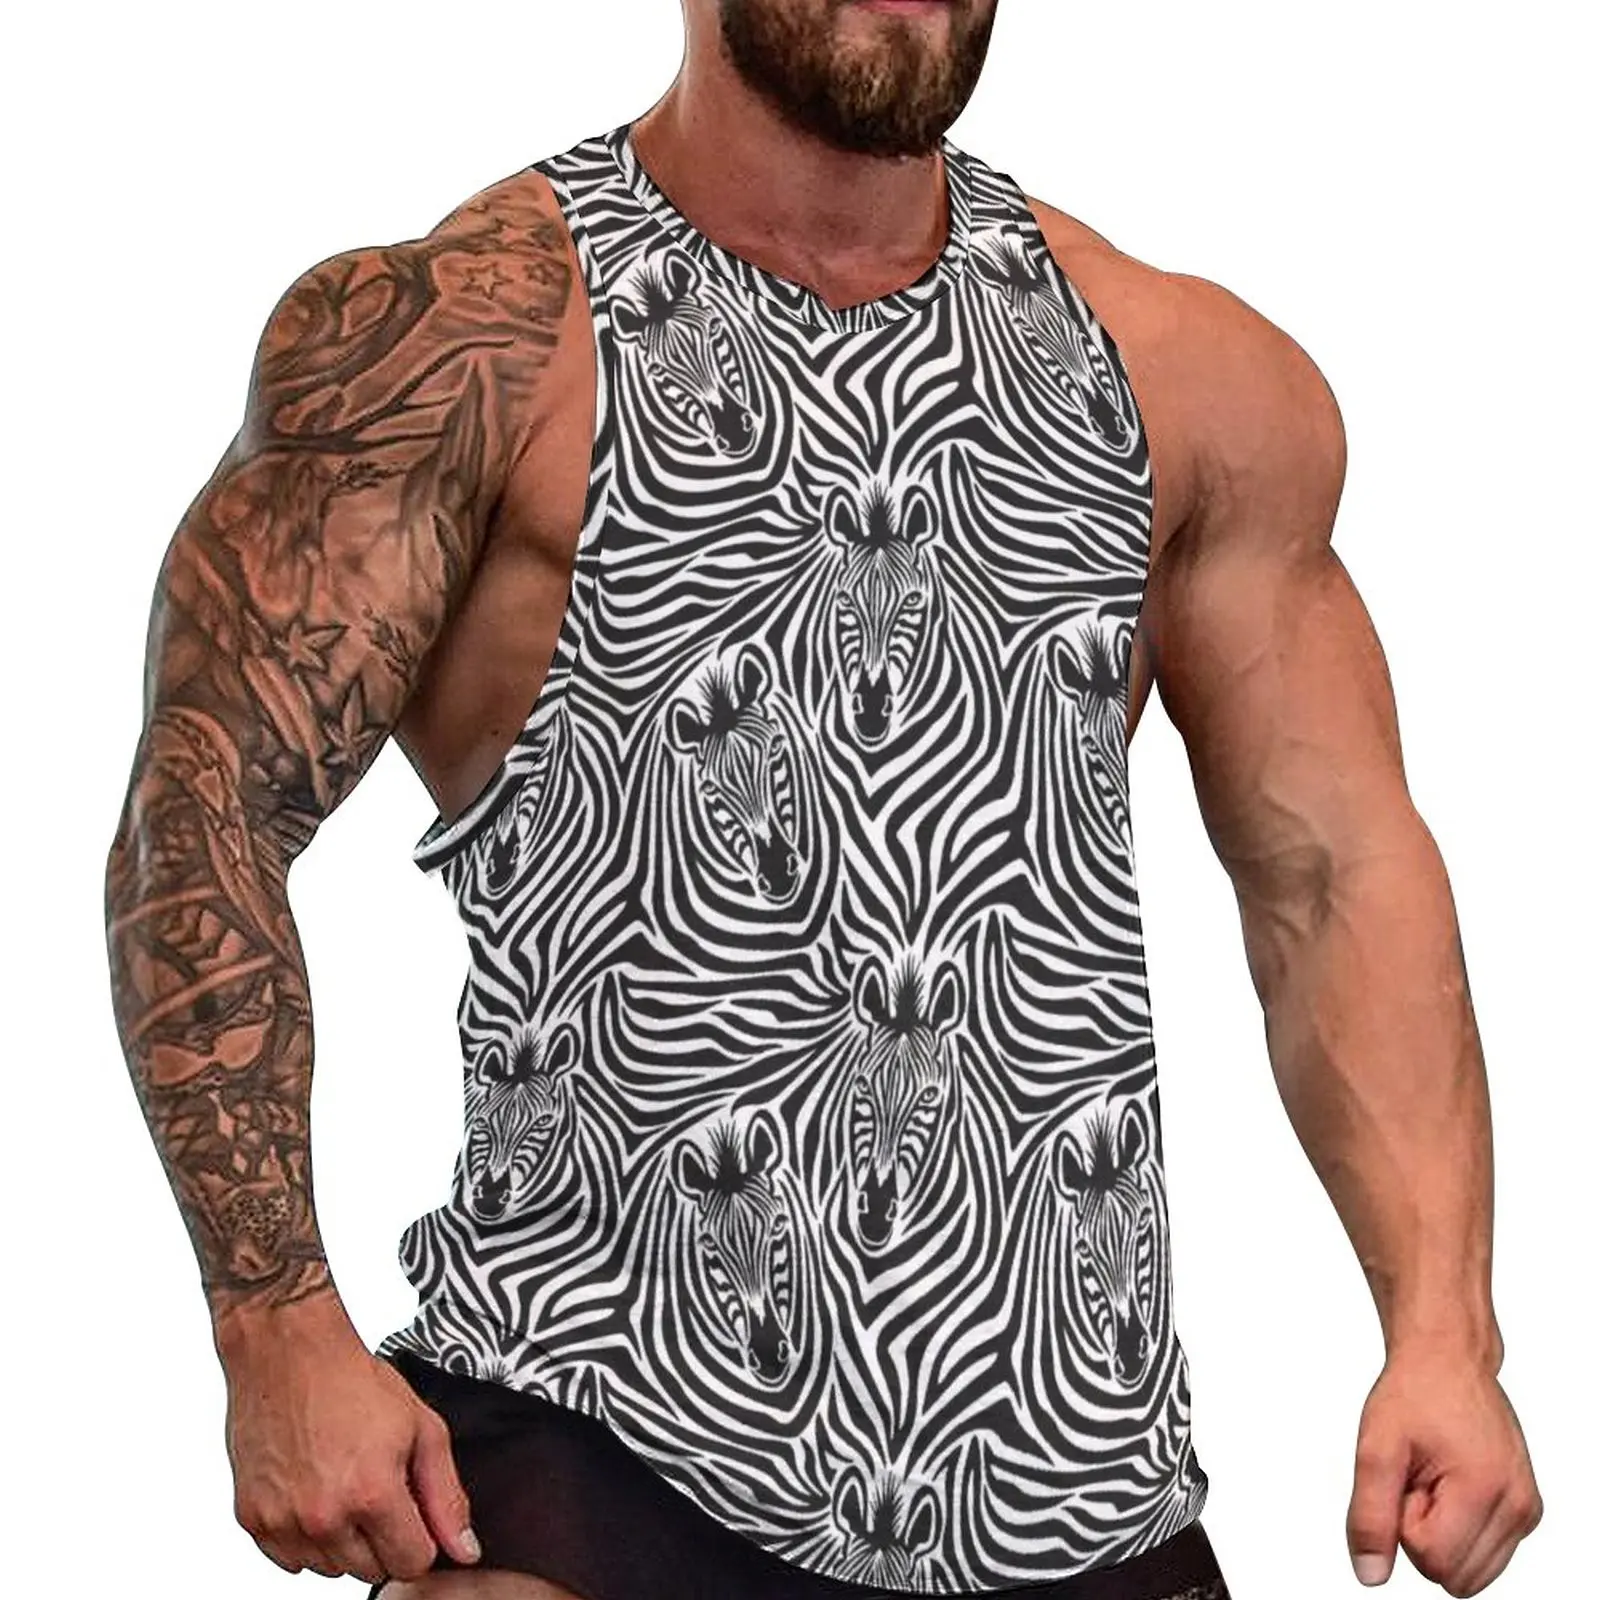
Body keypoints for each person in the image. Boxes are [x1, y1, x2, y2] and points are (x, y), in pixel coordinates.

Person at [102, 1, 1543, 1597]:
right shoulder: (466, 344)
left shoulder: (1181, 380)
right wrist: (274, 1323)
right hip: (591, 1449)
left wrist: (1443, 1332)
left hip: (1077, 1497)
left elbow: (1331, 871)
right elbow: (204, 807)